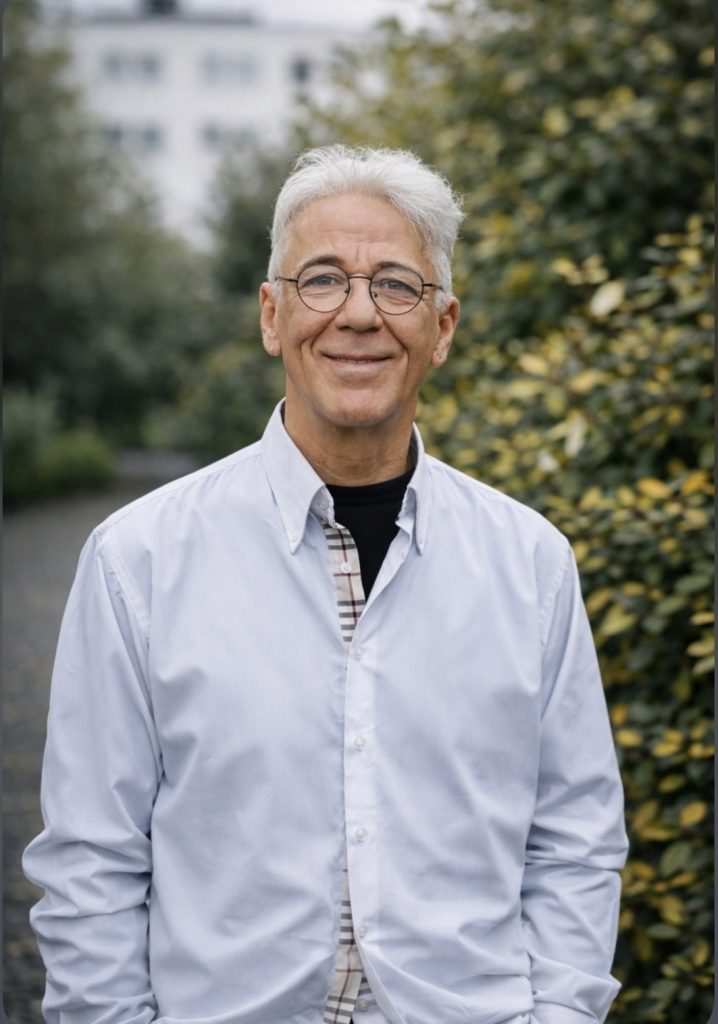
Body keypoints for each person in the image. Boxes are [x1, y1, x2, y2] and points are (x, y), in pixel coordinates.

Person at [24, 145, 628, 1024]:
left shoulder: (531, 564)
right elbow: (91, 862)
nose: (358, 314)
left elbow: (575, 841)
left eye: (396, 285)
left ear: (443, 327)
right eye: (322, 280)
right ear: (272, 315)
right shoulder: (138, 561)